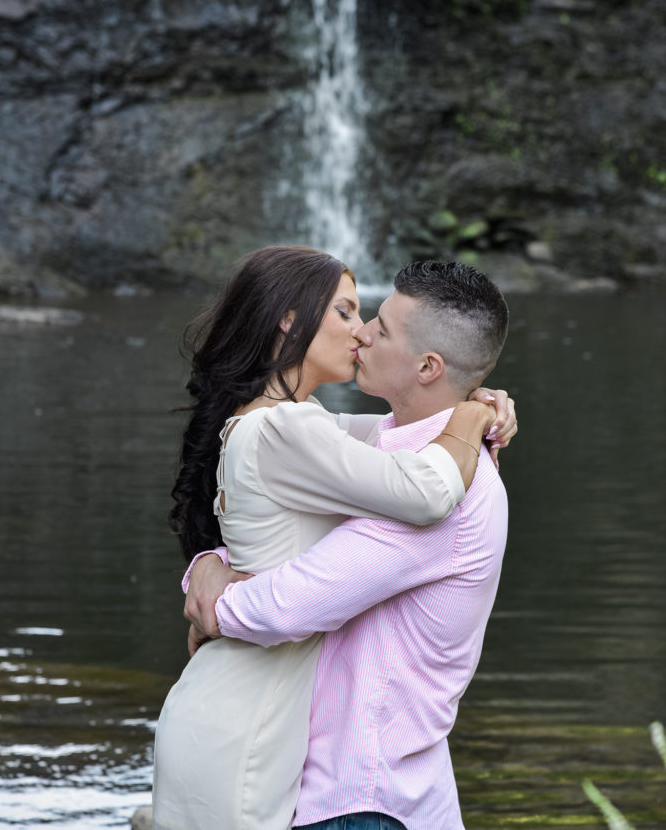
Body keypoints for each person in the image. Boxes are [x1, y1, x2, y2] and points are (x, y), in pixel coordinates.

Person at [152, 246, 514, 830]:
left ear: (426, 367)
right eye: (349, 313)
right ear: (289, 324)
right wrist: (209, 563)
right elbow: (293, 530)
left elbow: (291, 600)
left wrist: (210, 605)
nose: (363, 333)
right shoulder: (367, 457)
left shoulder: (439, 489)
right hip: (321, 776)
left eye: (376, 323)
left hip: (360, 794)